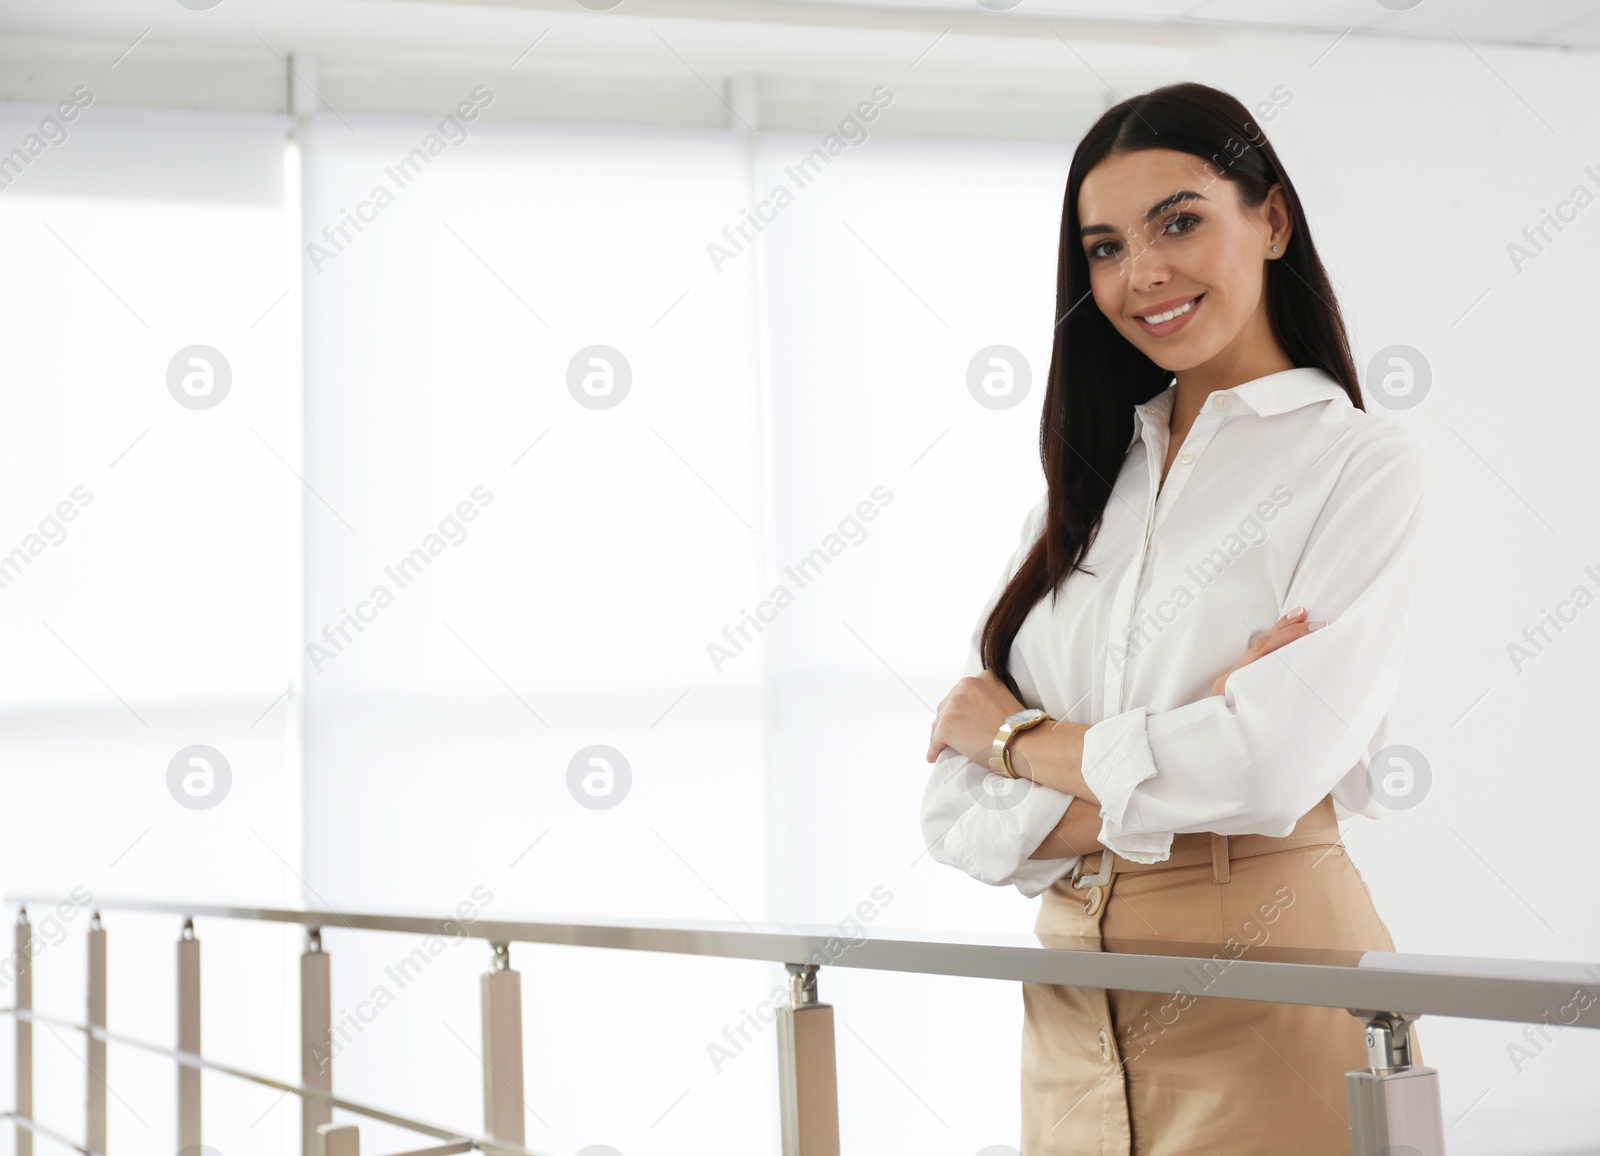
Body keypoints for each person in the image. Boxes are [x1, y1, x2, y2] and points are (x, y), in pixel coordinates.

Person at [918, 81, 1434, 1155]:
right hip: (1069, 990)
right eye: (1104, 247)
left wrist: (1017, 742)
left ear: (1272, 221)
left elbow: (1267, 772)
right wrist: (1182, 744)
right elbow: (950, 815)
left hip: (1267, 971)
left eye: (1179, 221)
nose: (1141, 272)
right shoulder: (1077, 495)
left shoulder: (1356, 463)